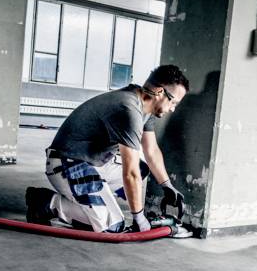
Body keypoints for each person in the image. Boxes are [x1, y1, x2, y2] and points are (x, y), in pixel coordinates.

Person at [26, 64, 189, 233]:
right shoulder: (128, 109)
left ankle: (95, 200)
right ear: (159, 92)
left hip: (92, 162)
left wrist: (167, 185)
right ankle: (47, 202)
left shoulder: (144, 106)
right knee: (113, 227)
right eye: (173, 102)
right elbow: (129, 173)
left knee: (141, 169)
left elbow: (151, 150)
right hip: (67, 164)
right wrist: (139, 218)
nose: (173, 108)